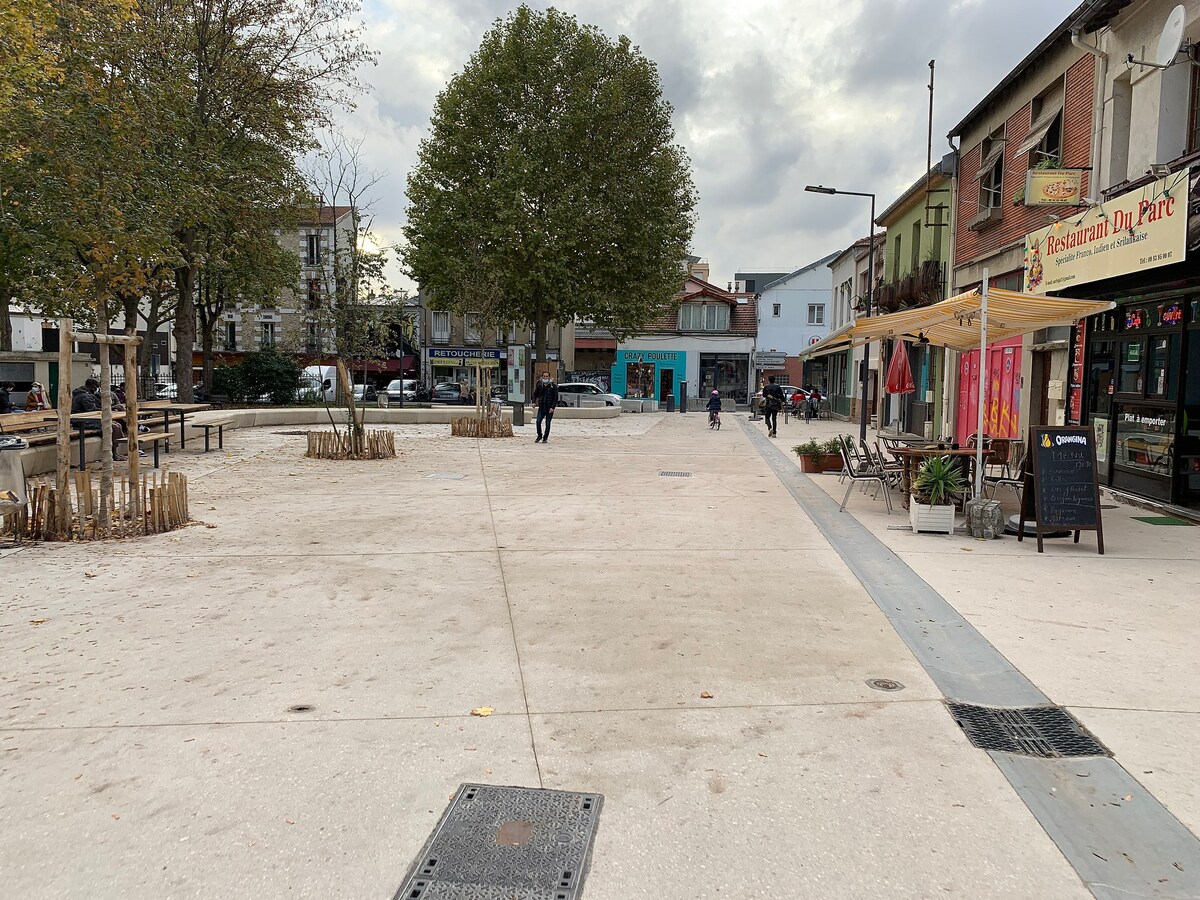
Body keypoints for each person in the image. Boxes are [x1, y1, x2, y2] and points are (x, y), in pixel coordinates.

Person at [72, 378, 130, 460]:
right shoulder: (85, 396)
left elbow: (96, 408)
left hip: (87, 419)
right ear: (93, 386)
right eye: (97, 387)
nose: (98, 389)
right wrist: (111, 408)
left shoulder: (85, 394)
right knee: (113, 427)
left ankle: (115, 451)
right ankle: (113, 454)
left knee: (117, 424)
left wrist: (109, 408)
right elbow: (92, 410)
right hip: (82, 422)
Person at [532, 373, 558, 443]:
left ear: (549, 377)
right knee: (538, 422)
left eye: (547, 376)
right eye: (544, 376)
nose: (545, 378)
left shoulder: (553, 386)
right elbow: (535, 394)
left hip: (549, 408)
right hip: (541, 407)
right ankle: (539, 435)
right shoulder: (540, 385)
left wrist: (552, 407)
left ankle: (545, 437)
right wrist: (534, 401)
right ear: (542, 377)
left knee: (548, 423)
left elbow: (555, 398)